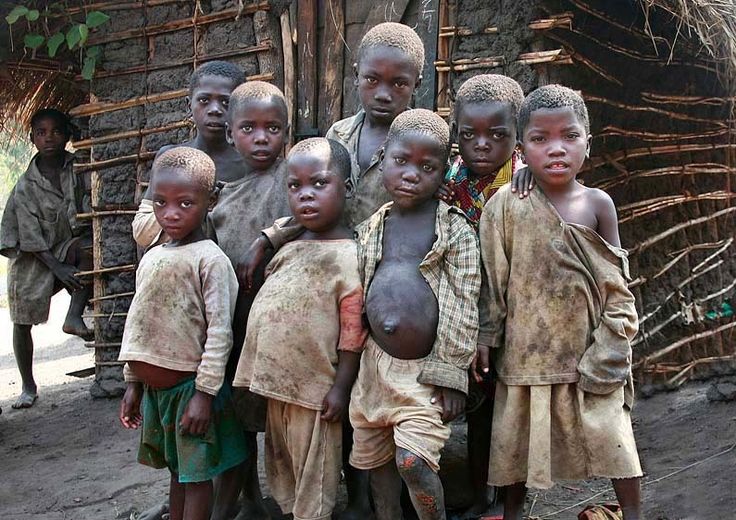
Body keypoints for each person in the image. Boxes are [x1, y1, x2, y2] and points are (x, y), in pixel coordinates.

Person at [237, 22, 426, 520]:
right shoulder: (339, 135)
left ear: (417, 84)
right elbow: (313, 197)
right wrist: (271, 236)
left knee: (375, 397)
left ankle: (378, 498)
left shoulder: (422, 141)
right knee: (335, 389)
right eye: (372, 80)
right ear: (356, 78)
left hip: (387, 286)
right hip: (337, 283)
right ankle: (350, 494)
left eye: (398, 84)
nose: (383, 93)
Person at [479, 85, 642, 520]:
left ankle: (633, 513)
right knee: (514, 452)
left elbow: (616, 282)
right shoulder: (505, 206)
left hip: (590, 350)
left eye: (569, 136)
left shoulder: (597, 204)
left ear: (588, 141)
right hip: (526, 355)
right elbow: (494, 282)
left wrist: (613, 342)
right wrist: (486, 336)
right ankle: (513, 514)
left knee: (616, 441)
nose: (556, 149)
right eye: (540, 139)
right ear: (521, 149)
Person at [349, 109, 480, 520]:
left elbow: (463, 303)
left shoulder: (452, 230)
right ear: (384, 156)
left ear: (444, 172)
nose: (411, 174)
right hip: (374, 370)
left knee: (413, 461)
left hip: (424, 375)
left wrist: (451, 374)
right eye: (401, 161)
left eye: (427, 167)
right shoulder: (371, 227)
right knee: (378, 466)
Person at [233, 137, 366, 520]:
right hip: (275, 387)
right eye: (295, 186)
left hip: (315, 393)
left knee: (315, 481)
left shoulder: (350, 257)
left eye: (319, 184)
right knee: (282, 471)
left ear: (347, 188)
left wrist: (340, 387)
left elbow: (352, 333)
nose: (306, 195)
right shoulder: (287, 249)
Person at [118, 147, 247, 520]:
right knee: (178, 473)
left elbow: (220, 332)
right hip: (157, 396)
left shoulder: (210, 260)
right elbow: (139, 326)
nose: (170, 213)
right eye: (160, 202)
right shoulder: (152, 257)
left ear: (210, 201)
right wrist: (133, 384)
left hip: (190, 390)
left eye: (185, 203)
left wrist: (204, 395)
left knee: (196, 478)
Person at [444, 73, 525, 518]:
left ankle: (509, 499)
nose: (482, 145)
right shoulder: (451, 177)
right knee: (479, 412)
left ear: (515, 134)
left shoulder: (523, 180)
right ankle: (480, 495)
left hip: (513, 318)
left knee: (511, 415)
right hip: (467, 314)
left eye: (497, 135)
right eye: (469, 134)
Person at [0, 108, 92, 410]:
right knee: (21, 321)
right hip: (33, 260)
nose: (48, 137)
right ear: (32, 138)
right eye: (41, 132)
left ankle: (73, 316)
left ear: (66, 135)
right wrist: (59, 268)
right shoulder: (26, 186)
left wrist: (67, 262)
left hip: (64, 245)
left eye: (55, 131)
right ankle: (27, 385)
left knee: (92, 250)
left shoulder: (77, 167)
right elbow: (28, 237)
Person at [132, 60, 246, 249]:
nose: (215, 109)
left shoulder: (247, 164)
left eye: (226, 102)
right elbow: (143, 230)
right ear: (188, 106)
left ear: (240, 108)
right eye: (204, 100)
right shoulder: (170, 159)